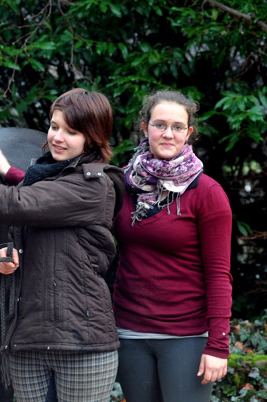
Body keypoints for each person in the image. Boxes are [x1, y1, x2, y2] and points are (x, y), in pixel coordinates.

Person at [0, 88, 125, 401]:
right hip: (28, 341)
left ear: (92, 138)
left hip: (81, 344)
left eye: (72, 131)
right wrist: (8, 258)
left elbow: (16, 204)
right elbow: (37, 237)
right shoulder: (43, 175)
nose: (58, 137)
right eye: (54, 126)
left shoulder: (94, 184)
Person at [111, 90, 233, 402]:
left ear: (189, 133)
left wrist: (218, 344)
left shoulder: (208, 193)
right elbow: (67, 200)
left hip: (186, 336)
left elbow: (219, 275)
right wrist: (15, 177)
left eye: (177, 126)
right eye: (159, 124)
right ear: (144, 127)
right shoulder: (123, 184)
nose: (168, 134)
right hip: (129, 332)